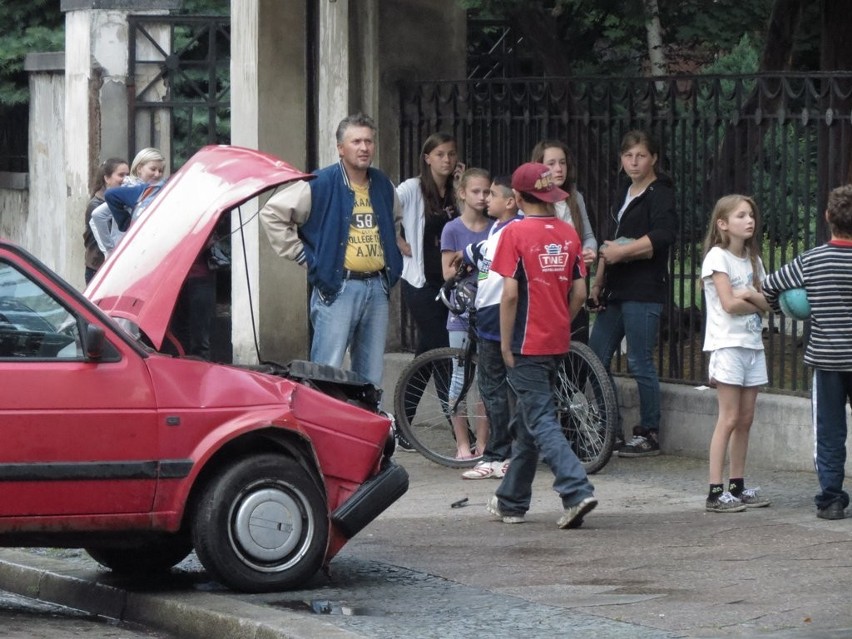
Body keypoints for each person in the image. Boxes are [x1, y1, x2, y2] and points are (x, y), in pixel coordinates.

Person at [486, 162, 597, 528]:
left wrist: (505, 343)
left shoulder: (514, 234)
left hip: (525, 342)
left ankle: (576, 489)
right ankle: (512, 501)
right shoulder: (568, 233)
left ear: (516, 197)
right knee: (528, 422)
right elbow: (579, 291)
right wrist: (560, 319)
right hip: (556, 339)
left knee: (541, 419)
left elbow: (509, 296)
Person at [260, 113, 403, 388]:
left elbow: (394, 221)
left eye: (369, 141)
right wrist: (306, 258)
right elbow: (272, 214)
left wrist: (392, 260)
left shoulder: (383, 185)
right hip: (338, 287)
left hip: (377, 287)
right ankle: (320, 429)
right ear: (341, 148)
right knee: (325, 371)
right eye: (356, 141)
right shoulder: (320, 183)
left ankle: (364, 430)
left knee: (371, 376)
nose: (364, 148)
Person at [762, 184, 852, 521]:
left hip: (826, 361)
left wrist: (783, 308)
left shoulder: (812, 260)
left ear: (828, 217)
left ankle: (831, 499)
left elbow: (770, 285)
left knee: (828, 432)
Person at [588, 130, 677, 457]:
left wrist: (624, 254)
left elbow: (663, 235)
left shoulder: (660, 192)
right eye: (628, 156)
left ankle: (649, 431)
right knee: (596, 358)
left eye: (640, 155)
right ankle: (608, 426)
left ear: (653, 157)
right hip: (615, 287)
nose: (634, 162)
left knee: (640, 361)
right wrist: (598, 282)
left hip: (643, 288)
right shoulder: (624, 191)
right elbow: (611, 240)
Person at [700, 195, 772, 513]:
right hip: (728, 345)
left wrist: (751, 294)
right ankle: (715, 492)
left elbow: (769, 304)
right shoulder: (717, 257)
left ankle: (737, 485)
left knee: (746, 419)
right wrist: (752, 299)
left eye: (751, 215)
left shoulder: (754, 261)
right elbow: (728, 304)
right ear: (723, 224)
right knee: (728, 418)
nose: (749, 220)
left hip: (753, 345)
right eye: (741, 215)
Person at [396, 133, 461, 449]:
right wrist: (398, 242)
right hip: (420, 284)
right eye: (440, 154)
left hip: (449, 283)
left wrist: (462, 188)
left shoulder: (455, 191)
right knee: (442, 356)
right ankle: (460, 432)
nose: (446, 160)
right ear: (427, 157)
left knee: (426, 353)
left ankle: (400, 424)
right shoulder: (411, 188)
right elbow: (383, 212)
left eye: (450, 154)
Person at [460, 175, 521, 480]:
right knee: (499, 387)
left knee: (493, 386)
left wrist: (470, 255)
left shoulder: (511, 230)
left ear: (510, 202)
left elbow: (487, 253)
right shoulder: (499, 228)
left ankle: (498, 454)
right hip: (490, 310)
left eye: (493, 194)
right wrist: (467, 255)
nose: (487, 199)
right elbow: (479, 250)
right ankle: (506, 452)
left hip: (497, 314)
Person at [440, 167, 493, 460]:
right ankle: (462, 442)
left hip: (487, 310)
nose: (482, 197)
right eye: (476, 191)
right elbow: (447, 270)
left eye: (487, 192)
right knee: (459, 377)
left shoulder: (495, 227)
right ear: (462, 193)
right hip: (461, 311)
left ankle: (483, 443)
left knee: (486, 379)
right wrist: (469, 262)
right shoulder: (452, 229)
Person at [531, 140, 598, 342]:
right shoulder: (532, 200)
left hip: (573, 283)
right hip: (544, 286)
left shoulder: (575, 197)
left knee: (576, 350)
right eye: (551, 164)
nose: (559, 169)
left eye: (563, 163)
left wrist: (589, 250)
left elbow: (588, 237)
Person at [89, 147, 166, 260]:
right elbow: (97, 216)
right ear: (139, 168)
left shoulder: (152, 190)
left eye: (160, 171)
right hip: (127, 254)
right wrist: (109, 250)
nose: (157, 174)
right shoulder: (131, 189)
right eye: (153, 169)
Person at [83, 157, 129, 283]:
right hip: (98, 267)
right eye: (121, 175)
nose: (126, 179)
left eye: (128, 175)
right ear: (107, 178)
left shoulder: (121, 200)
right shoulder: (97, 206)